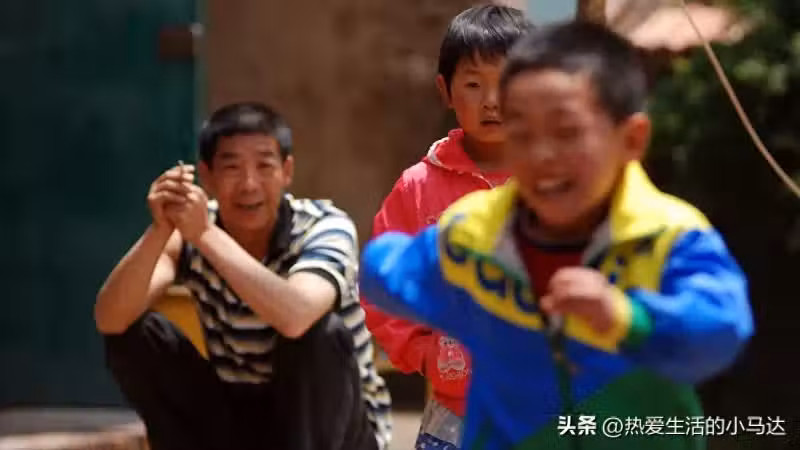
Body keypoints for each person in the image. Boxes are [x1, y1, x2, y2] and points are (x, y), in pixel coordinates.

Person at [360, 21, 753, 449]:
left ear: (631, 139)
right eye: (522, 133)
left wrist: (630, 320)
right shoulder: (475, 233)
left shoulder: (669, 235)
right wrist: (437, 339)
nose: (542, 155)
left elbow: (723, 327)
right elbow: (385, 270)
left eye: (566, 132)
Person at [94, 102, 391, 450]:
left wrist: (205, 235)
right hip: (241, 418)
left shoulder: (324, 226)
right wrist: (160, 229)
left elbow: (297, 314)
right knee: (135, 334)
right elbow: (110, 319)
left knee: (319, 333)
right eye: (232, 168)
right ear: (206, 176)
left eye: (264, 166)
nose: (249, 185)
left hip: (336, 429)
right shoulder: (194, 229)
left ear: (287, 171)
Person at [360, 5, 533, 449]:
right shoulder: (418, 186)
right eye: (474, 84)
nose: (491, 100)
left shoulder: (555, 181)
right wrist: (422, 353)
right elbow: (381, 284)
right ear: (446, 91)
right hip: (454, 413)